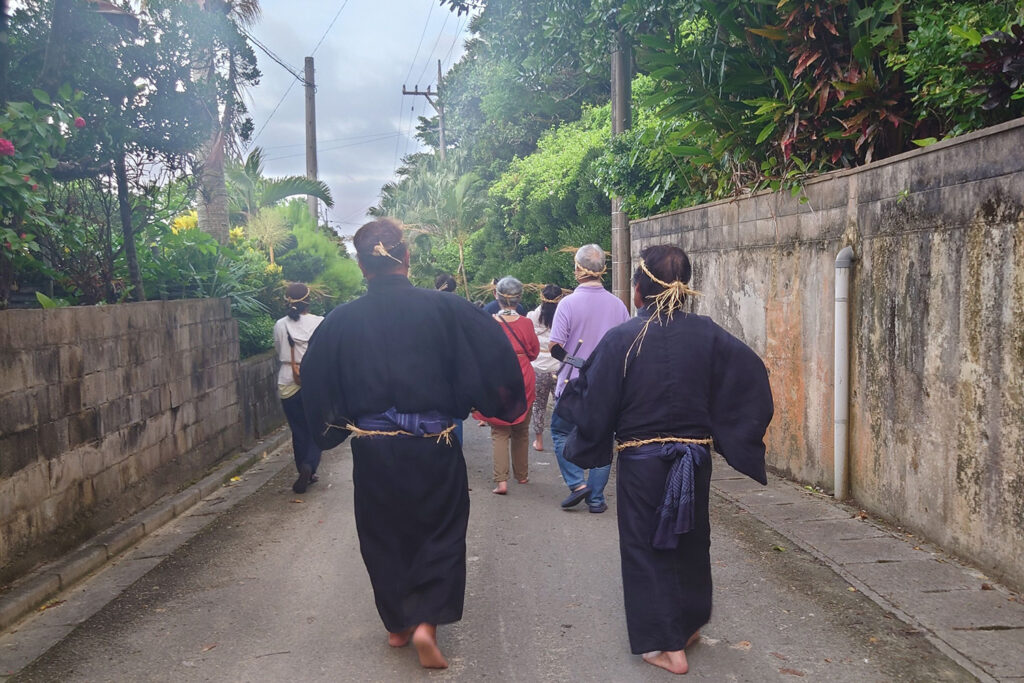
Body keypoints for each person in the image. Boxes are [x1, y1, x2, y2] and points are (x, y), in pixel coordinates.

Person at [299, 219, 526, 669]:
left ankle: (398, 627)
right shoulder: (448, 309)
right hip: (433, 443)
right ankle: (427, 623)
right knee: (439, 531)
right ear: (407, 258)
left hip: (374, 448)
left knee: (382, 533)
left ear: (362, 268)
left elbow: (315, 384)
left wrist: (335, 429)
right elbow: (497, 359)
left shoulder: (340, 322)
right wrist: (479, 403)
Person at [554, 244, 774, 675]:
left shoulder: (623, 338)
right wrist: (726, 430)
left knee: (646, 547)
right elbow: (751, 376)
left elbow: (592, 399)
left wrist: (585, 439)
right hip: (694, 457)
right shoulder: (708, 333)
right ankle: (688, 626)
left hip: (643, 462)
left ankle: (666, 646)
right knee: (691, 540)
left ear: (638, 290)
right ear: (685, 287)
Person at [548, 244, 629, 513]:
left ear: (577, 270)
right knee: (603, 440)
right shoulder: (618, 306)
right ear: (602, 270)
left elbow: (556, 347)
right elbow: (627, 347)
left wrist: (580, 362)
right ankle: (596, 499)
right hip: (607, 388)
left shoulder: (567, 304)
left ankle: (577, 484)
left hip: (572, 383)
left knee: (560, 432)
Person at [474, 277, 539, 494]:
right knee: (521, 430)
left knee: (500, 431)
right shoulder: (527, 323)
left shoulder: (487, 322)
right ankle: (522, 475)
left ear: (496, 296)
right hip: (523, 377)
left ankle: (501, 481)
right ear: (519, 298)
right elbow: (533, 352)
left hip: (497, 377)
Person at [272, 282, 324, 494]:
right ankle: (309, 465)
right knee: (317, 427)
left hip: (287, 379)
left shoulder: (280, 325)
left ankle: (303, 467)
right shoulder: (320, 322)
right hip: (314, 379)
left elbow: (278, 349)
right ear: (308, 301)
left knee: (298, 429)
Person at [526, 284, 563, 452]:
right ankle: (561, 438)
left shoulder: (531, 316)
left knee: (539, 405)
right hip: (559, 366)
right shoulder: (564, 315)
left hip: (538, 366)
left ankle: (539, 441)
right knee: (560, 404)